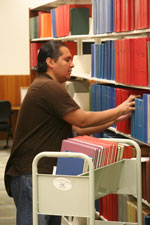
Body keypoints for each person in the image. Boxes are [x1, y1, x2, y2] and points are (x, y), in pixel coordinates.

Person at [4, 40, 138, 225]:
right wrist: (119, 109)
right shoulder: (47, 87)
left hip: (42, 172)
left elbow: (78, 129)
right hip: (31, 174)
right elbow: (81, 119)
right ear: (50, 62)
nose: (73, 64)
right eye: (67, 59)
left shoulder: (48, 86)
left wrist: (114, 120)